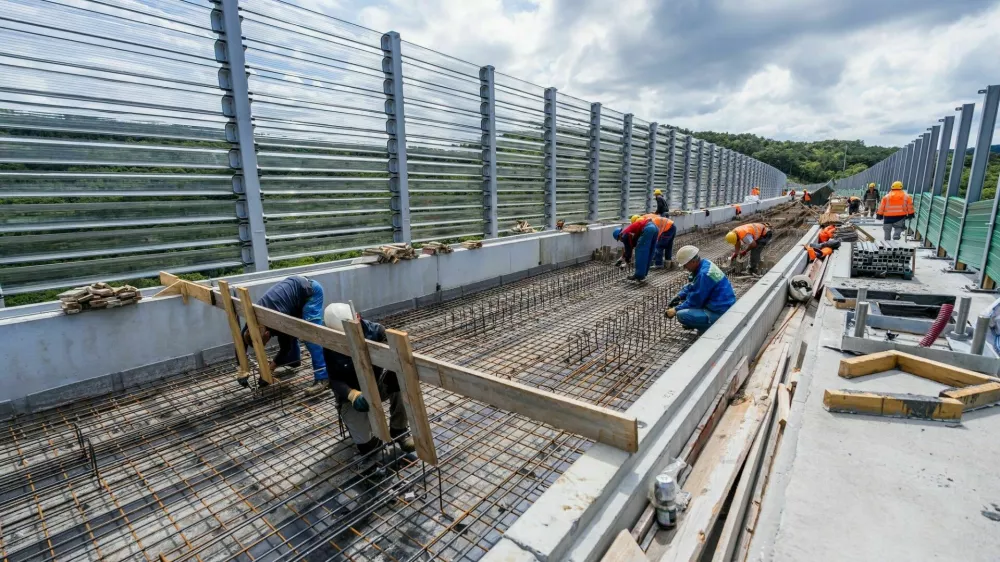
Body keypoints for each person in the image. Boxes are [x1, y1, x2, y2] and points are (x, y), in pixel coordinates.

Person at [322, 303, 415, 456]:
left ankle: (399, 429)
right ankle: (365, 433)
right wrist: (352, 395)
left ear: (357, 317)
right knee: (369, 448)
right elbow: (334, 379)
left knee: (399, 376)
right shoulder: (330, 343)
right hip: (352, 396)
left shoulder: (376, 331)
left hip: (375, 385)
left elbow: (397, 357)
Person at [239, 276, 328, 395]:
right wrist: (241, 369)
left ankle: (323, 378)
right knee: (290, 330)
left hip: (311, 292)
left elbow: (285, 347)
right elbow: (239, 342)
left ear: (266, 333)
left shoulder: (278, 319)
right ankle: (293, 359)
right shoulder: (252, 321)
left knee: (310, 336)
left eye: (265, 342)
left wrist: (270, 368)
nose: (265, 345)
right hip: (293, 296)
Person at [665, 245, 737, 334]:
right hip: (725, 304)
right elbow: (693, 285)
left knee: (682, 315)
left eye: (685, 265)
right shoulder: (705, 263)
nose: (685, 268)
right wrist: (680, 296)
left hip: (721, 312)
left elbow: (695, 300)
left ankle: (709, 328)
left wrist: (676, 309)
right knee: (687, 301)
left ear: (693, 261)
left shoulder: (704, 274)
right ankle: (699, 321)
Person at [613, 216, 659, 281]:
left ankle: (639, 275)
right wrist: (621, 258)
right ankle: (644, 274)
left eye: (619, 239)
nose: (621, 240)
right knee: (649, 251)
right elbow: (629, 247)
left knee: (640, 250)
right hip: (655, 228)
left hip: (648, 229)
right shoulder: (628, 232)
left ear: (619, 235)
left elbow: (629, 249)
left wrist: (626, 263)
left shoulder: (624, 235)